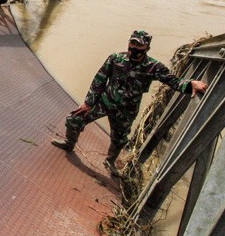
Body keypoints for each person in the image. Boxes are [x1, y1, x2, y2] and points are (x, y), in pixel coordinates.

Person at [51, 30, 209, 177]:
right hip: (106, 101)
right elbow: (99, 80)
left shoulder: (153, 67)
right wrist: (88, 103)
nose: (135, 47)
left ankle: (110, 161)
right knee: (74, 119)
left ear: (147, 47)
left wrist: (190, 85)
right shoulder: (115, 58)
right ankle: (69, 143)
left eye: (139, 45)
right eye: (133, 43)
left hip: (127, 110)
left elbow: (172, 81)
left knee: (119, 139)